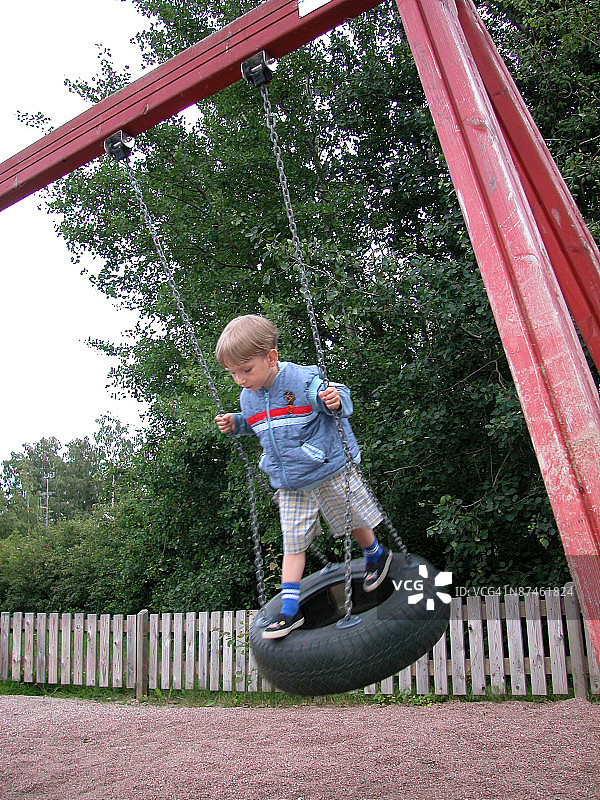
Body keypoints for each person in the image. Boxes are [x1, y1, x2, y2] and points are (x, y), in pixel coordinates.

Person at [214, 314, 392, 639]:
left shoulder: (303, 381)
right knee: (293, 544)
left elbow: (338, 399)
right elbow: (257, 422)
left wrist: (336, 400)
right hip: (291, 483)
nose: (240, 379)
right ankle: (289, 609)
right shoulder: (248, 396)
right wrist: (236, 423)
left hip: (328, 468)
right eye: (233, 373)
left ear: (271, 357)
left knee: (353, 520)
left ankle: (375, 554)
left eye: (246, 370)